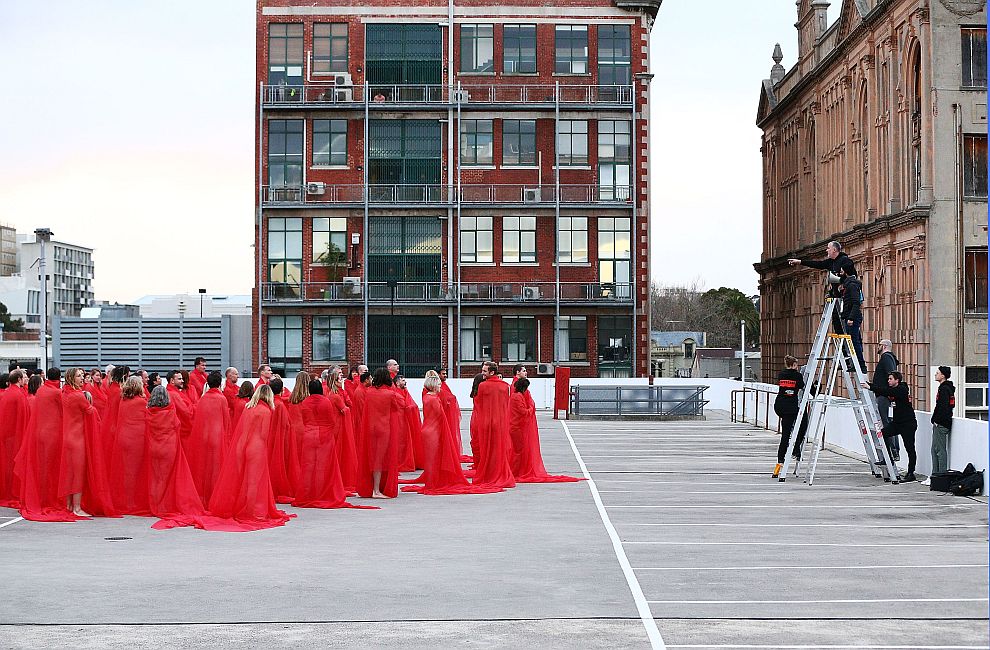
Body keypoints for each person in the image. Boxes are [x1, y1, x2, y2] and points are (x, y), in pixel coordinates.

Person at [15, 368, 75, 521]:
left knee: (42, 468)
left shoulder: (41, 390)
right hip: (52, 435)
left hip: (40, 433)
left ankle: (41, 497)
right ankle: (49, 499)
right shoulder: (56, 393)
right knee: (51, 469)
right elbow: (65, 410)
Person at [58, 367, 117, 518]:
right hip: (77, 439)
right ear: (72, 378)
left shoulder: (65, 393)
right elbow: (92, 412)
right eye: (78, 376)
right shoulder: (78, 396)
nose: (81, 378)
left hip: (68, 438)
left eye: (82, 376)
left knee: (70, 473)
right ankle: (77, 508)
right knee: (77, 474)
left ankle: (69, 505)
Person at [146, 385, 206, 529]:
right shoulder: (170, 411)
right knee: (167, 478)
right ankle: (164, 505)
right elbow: (177, 425)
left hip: (154, 447)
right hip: (168, 447)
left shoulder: (149, 412)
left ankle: (155, 505)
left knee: (156, 476)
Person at [508, 377, 581, 483]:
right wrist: (531, 408)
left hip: (515, 427)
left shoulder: (515, 396)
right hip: (516, 428)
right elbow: (523, 412)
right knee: (518, 451)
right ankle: (514, 472)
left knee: (517, 451)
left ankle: (515, 472)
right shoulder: (518, 397)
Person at [787, 241, 856, 332]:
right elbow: (818, 264)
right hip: (836, 296)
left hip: (846, 297)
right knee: (836, 321)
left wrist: (843, 277)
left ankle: (848, 344)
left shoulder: (845, 260)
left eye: (828, 248)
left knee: (847, 323)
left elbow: (852, 274)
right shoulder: (831, 262)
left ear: (834, 250)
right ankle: (841, 343)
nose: (826, 250)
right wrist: (799, 262)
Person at [185, 370, 232, 504]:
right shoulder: (221, 399)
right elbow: (226, 420)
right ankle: (214, 495)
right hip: (217, 436)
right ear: (220, 383)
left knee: (204, 467)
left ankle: (203, 496)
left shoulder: (203, 399)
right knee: (215, 468)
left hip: (204, 436)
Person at [862, 371, 918, 481]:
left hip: (908, 423)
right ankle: (889, 458)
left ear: (897, 380)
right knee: (882, 434)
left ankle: (911, 473)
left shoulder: (901, 390)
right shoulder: (894, 390)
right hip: (897, 423)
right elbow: (884, 390)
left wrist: (870, 387)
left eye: (891, 379)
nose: (888, 381)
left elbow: (886, 391)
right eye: (888, 379)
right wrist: (871, 386)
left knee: (910, 448)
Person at [357, 368, 404, 499]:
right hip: (384, 429)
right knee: (379, 459)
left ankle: (374, 487)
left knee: (372, 458)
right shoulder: (389, 394)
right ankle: (376, 490)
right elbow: (401, 404)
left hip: (371, 429)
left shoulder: (369, 392)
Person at [107, 376, 151, 515]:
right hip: (136, 439)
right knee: (135, 471)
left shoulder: (123, 401)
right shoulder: (141, 402)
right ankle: (132, 501)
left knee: (126, 470)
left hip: (123, 438)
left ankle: (126, 499)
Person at [471, 361, 515, 489]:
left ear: (492, 372)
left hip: (487, 423)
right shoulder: (505, 386)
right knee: (499, 450)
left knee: (488, 451)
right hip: (500, 423)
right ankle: (500, 472)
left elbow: (478, 406)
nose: (482, 373)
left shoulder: (483, 386)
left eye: (485, 371)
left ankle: (489, 474)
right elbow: (506, 405)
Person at [772, 355, 805, 478]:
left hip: (779, 405)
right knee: (801, 427)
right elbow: (803, 386)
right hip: (790, 407)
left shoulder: (781, 374)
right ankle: (795, 450)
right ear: (794, 365)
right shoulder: (797, 375)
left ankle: (780, 460)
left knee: (786, 433)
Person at [0, 369, 29, 508]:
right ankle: (13, 492)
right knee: (14, 467)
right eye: (24, 377)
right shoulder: (18, 394)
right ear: (18, 379)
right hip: (15, 437)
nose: (26, 379)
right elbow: (23, 417)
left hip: (8, 436)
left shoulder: (8, 393)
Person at [925, 366, 955, 485]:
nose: (935, 375)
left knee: (940, 450)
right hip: (942, 422)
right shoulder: (946, 388)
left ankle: (940, 476)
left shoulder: (944, 389)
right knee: (934, 449)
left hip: (941, 423)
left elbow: (942, 407)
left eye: (937, 373)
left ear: (943, 376)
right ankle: (935, 475)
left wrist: (936, 420)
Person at [873, 340, 900, 461]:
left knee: (886, 423)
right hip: (885, 395)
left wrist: (889, 392)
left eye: (879, 345)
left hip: (884, 396)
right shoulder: (889, 358)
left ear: (883, 346)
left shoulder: (886, 357)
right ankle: (892, 452)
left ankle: (892, 452)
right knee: (887, 422)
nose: (877, 347)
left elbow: (892, 375)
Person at [837, 262, 866, 370]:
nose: (840, 273)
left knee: (854, 341)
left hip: (852, 317)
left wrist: (851, 318)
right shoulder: (849, 284)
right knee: (854, 340)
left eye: (841, 271)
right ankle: (856, 363)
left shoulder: (852, 285)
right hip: (850, 316)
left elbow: (855, 302)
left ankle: (860, 365)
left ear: (845, 271)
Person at [166, 370, 194, 443]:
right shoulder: (174, 394)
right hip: (181, 431)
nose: (182, 381)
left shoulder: (169, 392)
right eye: (179, 379)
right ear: (172, 380)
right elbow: (186, 412)